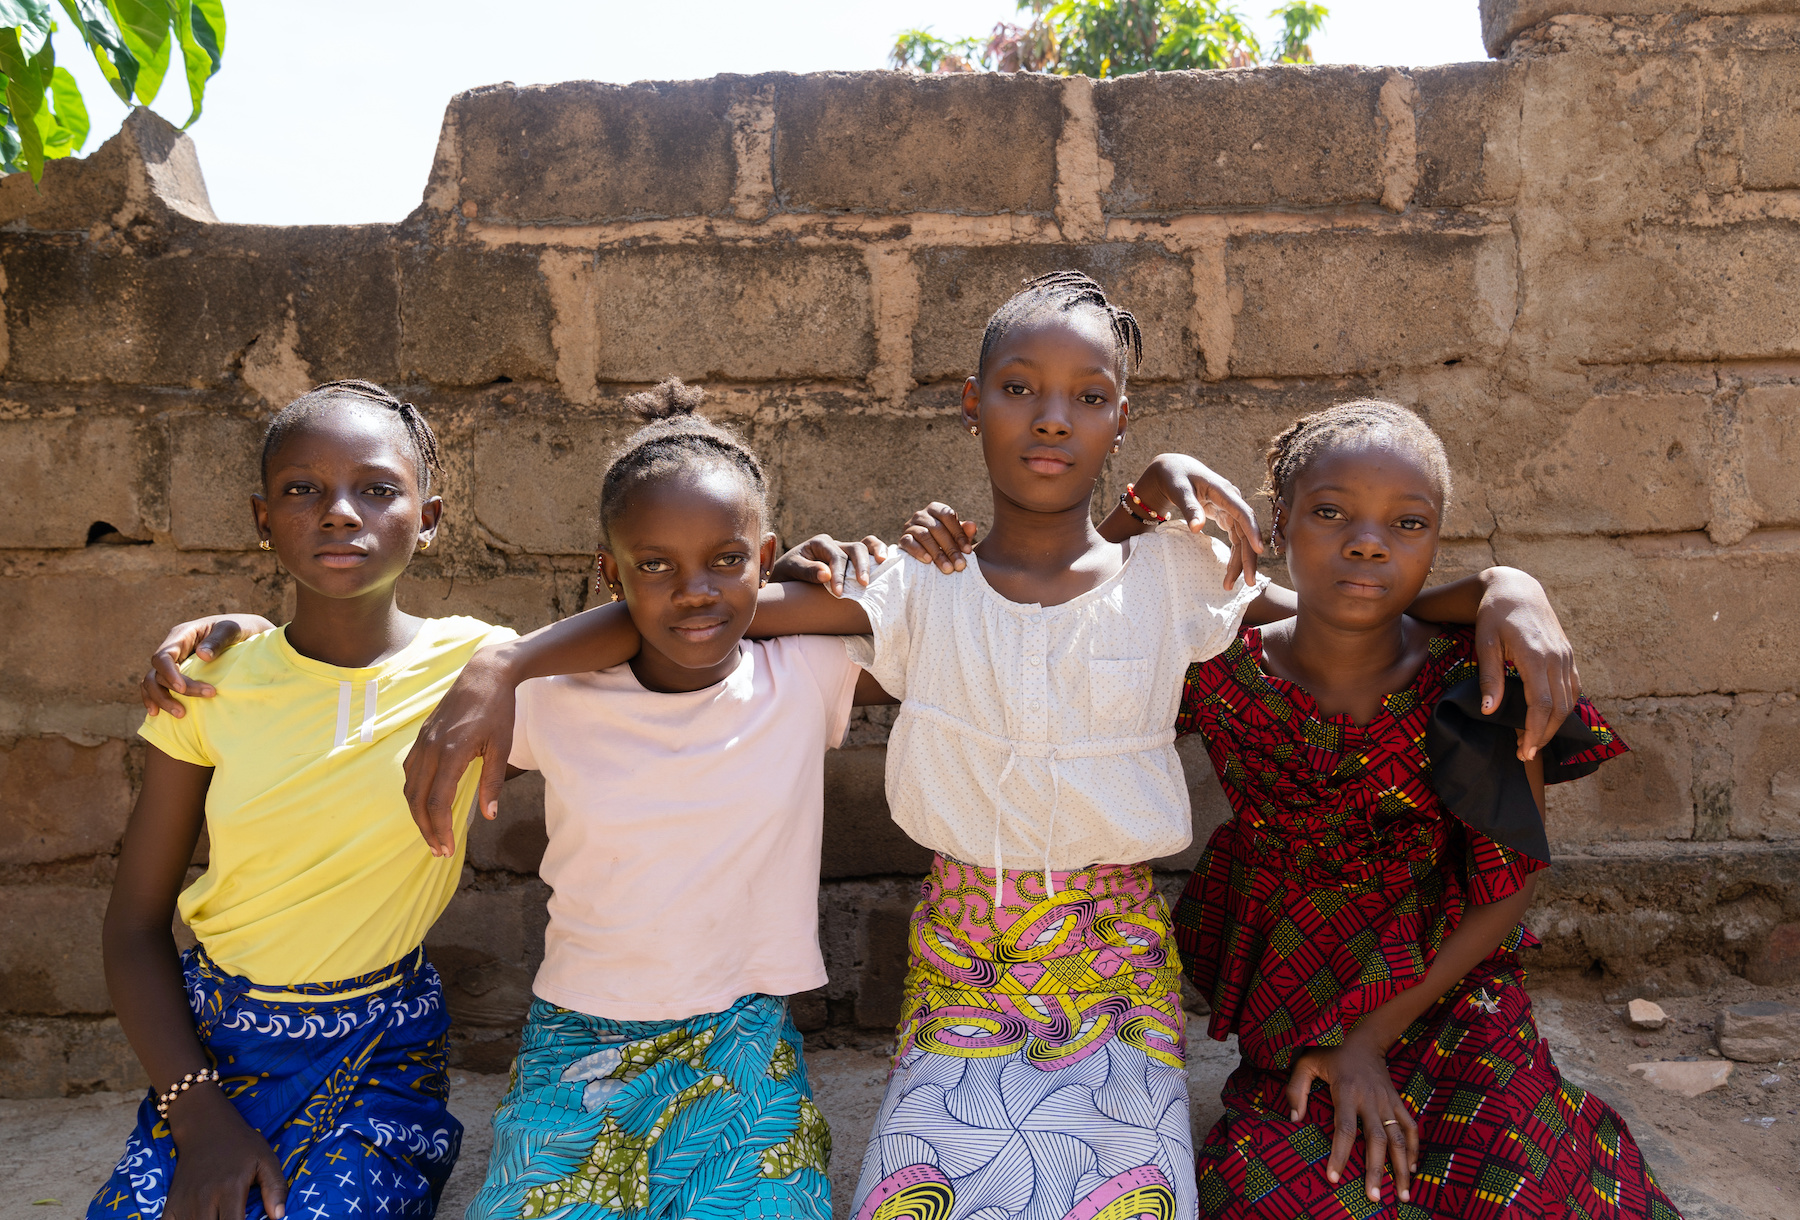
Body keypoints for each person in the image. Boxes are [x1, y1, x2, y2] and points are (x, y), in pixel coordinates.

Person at [397, 272, 1586, 1220]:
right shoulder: (917, 582)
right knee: (918, 1188)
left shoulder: (1179, 577)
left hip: (1115, 964)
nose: (1053, 415)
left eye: (1088, 393)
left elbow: (1346, 601)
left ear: (1122, 415)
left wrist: (1502, 587)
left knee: (1135, 1196)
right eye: (1020, 386)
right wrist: (507, 658)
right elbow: (710, 605)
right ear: (973, 404)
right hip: (963, 956)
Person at [143, 380, 885, 1219]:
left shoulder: (800, 674)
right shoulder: (543, 691)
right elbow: (349, 672)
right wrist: (237, 634)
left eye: (726, 557)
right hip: (577, 1037)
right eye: (653, 563)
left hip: (740, 1037)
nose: (694, 589)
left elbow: (896, 609)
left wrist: (778, 581)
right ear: (610, 572)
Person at [1155, 402, 1676, 1218]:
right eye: (1330, 514)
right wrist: (1149, 491)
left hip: (1450, 985)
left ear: (1435, 541)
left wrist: (1369, 1037)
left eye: (1408, 523)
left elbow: (1509, 887)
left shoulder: (1475, 677)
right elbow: (1081, 604)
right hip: (1294, 992)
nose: (1368, 542)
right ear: (1280, 520)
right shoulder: (1219, 663)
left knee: (1518, 1187)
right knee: (1279, 1193)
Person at [96, 381, 517, 1220]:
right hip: (216, 1051)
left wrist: (509, 665)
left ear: (428, 519)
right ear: (263, 518)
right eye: (302, 490)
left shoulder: (474, 665)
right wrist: (201, 1118)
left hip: (379, 1051)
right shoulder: (213, 679)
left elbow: (666, 622)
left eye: (377, 488)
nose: (338, 512)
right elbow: (134, 924)